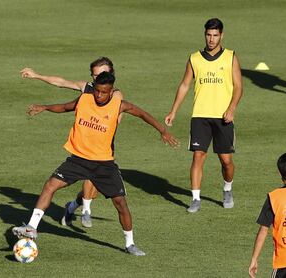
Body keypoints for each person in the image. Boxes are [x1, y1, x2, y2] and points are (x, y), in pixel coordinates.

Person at [12, 71, 179, 256]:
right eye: (97, 91)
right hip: (78, 159)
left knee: (121, 204)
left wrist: (163, 131)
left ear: (111, 91)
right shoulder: (85, 99)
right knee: (50, 185)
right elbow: (66, 107)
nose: (99, 95)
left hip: (104, 165)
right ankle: (31, 227)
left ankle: (130, 243)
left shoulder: (119, 105)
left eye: (104, 92)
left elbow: (143, 114)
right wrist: (45, 107)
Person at [20, 57, 122, 228]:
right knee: (78, 180)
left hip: (102, 148)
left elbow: (115, 119)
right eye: (95, 75)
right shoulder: (87, 88)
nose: (98, 78)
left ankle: (74, 206)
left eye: (103, 74)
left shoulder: (115, 95)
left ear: (111, 74)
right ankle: (86, 211)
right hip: (82, 146)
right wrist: (36, 75)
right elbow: (61, 82)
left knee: (92, 188)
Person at [164, 18, 243, 213]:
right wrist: (173, 110)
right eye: (208, 35)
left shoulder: (231, 57)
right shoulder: (194, 58)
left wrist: (232, 108)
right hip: (200, 115)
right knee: (198, 156)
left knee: (226, 161)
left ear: (221, 36)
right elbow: (184, 85)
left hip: (223, 117)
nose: (211, 39)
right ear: (204, 34)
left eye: (215, 35)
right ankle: (196, 199)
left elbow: (239, 86)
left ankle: (227, 189)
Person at [249, 153, 286, 278]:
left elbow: (263, 230)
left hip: (284, 262)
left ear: (279, 173)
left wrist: (254, 259)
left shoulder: (274, 197)